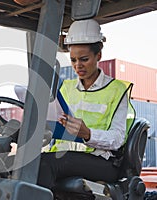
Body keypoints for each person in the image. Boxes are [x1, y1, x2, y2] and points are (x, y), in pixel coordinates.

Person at [36, 19, 135, 193]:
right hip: (66, 156)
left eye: (84, 59)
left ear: (99, 56)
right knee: (26, 162)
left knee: (46, 163)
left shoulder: (116, 90)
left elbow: (118, 138)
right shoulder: (66, 87)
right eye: (73, 60)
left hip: (101, 160)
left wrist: (88, 134)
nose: (77, 65)